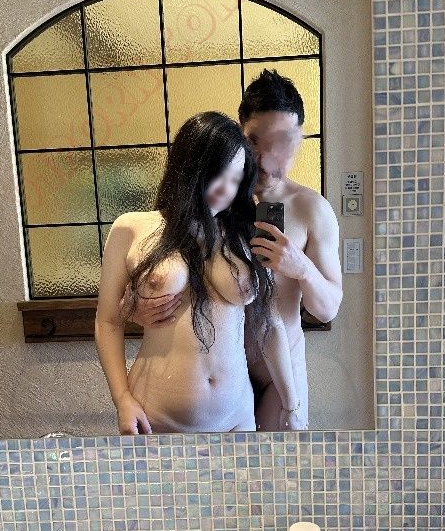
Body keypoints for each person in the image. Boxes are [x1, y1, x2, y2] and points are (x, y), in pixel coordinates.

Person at [131, 71, 343, 430]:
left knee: (278, 465)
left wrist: (301, 268)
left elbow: (328, 309)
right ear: (239, 132)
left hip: (281, 373)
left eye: (279, 143)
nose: (264, 158)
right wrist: (138, 309)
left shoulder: (311, 209)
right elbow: (154, 270)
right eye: (255, 141)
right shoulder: (210, 203)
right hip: (217, 373)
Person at [95, 111, 302, 435]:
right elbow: (107, 321)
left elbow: (269, 325)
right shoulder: (132, 227)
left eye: (235, 179)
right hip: (154, 418)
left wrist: (291, 407)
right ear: (190, 166)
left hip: (237, 420)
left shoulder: (247, 235)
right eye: (217, 173)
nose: (225, 189)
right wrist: (122, 400)